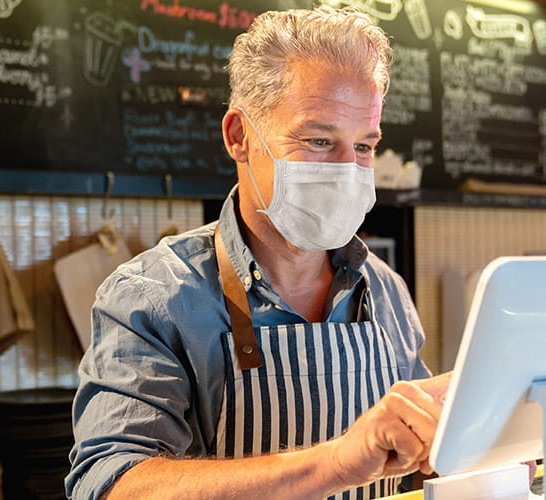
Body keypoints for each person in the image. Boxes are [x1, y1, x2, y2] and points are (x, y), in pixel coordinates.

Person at [66, 7, 450, 500]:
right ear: (239, 137)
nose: (345, 170)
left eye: (362, 147)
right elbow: (110, 486)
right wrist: (333, 463)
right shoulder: (152, 298)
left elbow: (418, 464)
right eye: (318, 140)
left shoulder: (384, 291)